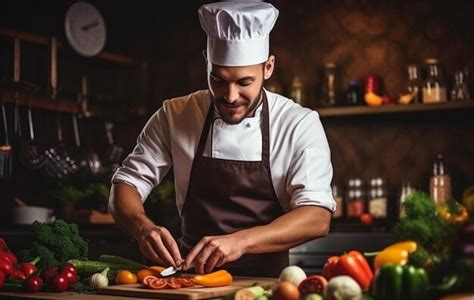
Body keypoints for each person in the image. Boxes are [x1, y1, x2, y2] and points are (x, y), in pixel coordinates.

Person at [109, 1, 335, 277]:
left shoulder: (298, 123)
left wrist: (240, 241)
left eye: (244, 82)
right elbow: (126, 183)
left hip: (264, 287)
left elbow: (317, 217)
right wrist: (142, 227)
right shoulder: (176, 114)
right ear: (207, 63)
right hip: (190, 280)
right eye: (218, 80)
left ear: (268, 67)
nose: (230, 96)